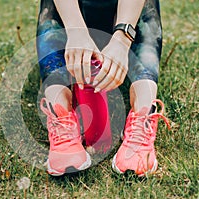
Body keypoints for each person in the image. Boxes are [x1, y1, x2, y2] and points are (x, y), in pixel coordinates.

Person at [36, 0, 170, 176]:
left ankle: (143, 111)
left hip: (127, 13)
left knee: (147, 11)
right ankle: (60, 114)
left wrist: (122, 40)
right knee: (51, 12)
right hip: (72, 13)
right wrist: (76, 31)